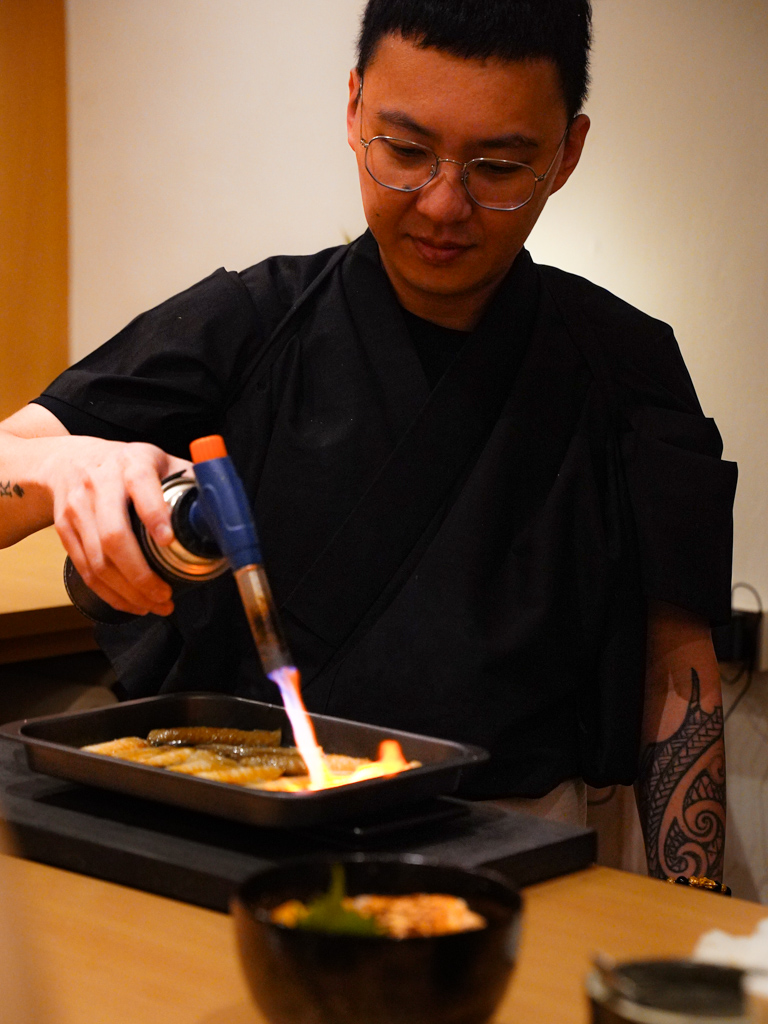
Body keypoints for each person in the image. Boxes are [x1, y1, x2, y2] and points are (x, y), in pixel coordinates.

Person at [0, 0, 736, 878]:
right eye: (406, 151)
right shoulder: (249, 324)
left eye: (499, 165)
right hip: (231, 826)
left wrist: (695, 902)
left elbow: (676, 663)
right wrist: (60, 464)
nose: (442, 203)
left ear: (567, 152)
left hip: (516, 846)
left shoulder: (625, 362)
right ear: (354, 111)